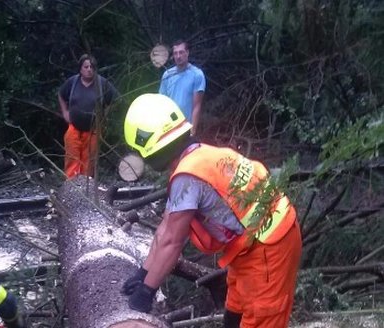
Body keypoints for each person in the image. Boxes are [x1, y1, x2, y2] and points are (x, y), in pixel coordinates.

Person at [121, 94, 302, 328]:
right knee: (235, 311)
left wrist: (147, 291)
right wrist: (142, 273)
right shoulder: (198, 156)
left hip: (269, 245)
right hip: (250, 245)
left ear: (149, 145)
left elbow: (173, 243)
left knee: (261, 316)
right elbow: (166, 229)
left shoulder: (188, 177)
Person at [58, 54, 119, 178]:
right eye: (86, 67)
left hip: (93, 130)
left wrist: (105, 114)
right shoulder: (73, 82)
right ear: (80, 69)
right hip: (74, 127)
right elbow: (61, 94)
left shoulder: (102, 83)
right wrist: (65, 112)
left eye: (92, 67)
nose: (89, 69)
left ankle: (86, 188)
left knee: (89, 162)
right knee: (72, 158)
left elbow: (116, 99)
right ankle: (72, 186)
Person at [159, 40, 206, 135]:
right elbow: (162, 103)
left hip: (186, 128)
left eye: (181, 52)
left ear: (187, 53)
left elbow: (197, 105)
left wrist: (192, 131)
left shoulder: (197, 74)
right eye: (175, 53)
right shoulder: (167, 75)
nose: (178, 56)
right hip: (169, 129)